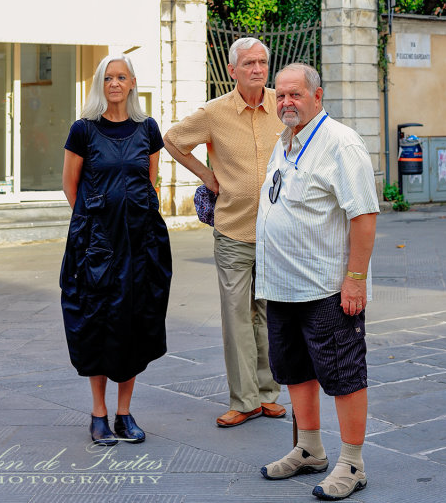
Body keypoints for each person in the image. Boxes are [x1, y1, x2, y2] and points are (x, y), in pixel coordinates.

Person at [256, 63, 379, 500]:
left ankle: (352, 463)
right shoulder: (285, 141)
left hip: (326, 287)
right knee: (294, 370)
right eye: (281, 96)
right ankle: (308, 449)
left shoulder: (341, 143)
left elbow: (363, 215)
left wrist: (356, 280)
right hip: (281, 285)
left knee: (344, 373)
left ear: (317, 96)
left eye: (295, 95)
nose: (286, 102)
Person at [164, 37, 285, 427]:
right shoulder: (214, 113)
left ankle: (268, 393)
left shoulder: (282, 106)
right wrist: (205, 174)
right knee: (237, 316)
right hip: (233, 229)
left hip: (277, 232)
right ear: (232, 70)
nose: (257, 69)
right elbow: (173, 139)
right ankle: (244, 399)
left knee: (268, 315)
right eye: (249, 63)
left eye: (262, 63)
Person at [60, 55, 172, 446]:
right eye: (108, 78)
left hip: (142, 245)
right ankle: (99, 413)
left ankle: (125, 413)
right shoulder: (83, 130)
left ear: (132, 83)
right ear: (99, 84)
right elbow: (70, 185)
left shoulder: (148, 129)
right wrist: (95, 226)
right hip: (97, 247)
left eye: (121, 77)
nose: (115, 83)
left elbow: (149, 182)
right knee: (96, 323)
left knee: (135, 324)